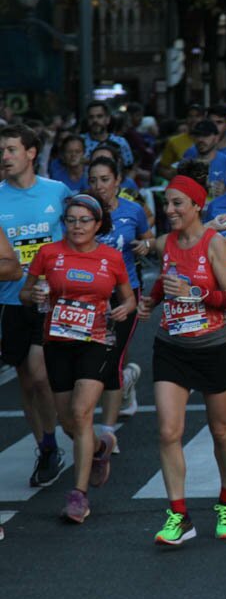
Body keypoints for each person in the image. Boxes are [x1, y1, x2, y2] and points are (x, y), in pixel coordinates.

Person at [137, 162, 226, 546]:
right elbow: (166, 283)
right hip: (172, 347)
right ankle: (179, 515)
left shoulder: (214, 244)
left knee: (220, 431)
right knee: (168, 431)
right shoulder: (167, 244)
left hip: (214, 347)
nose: (170, 210)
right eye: (167, 203)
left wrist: (196, 295)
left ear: (197, 205)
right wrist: (149, 302)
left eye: (178, 203)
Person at [20, 192, 135, 522]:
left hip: (96, 340)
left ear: (98, 224)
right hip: (57, 341)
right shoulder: (48, 253)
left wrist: (123, 310)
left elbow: (126, 300)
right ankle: (99, 448)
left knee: (82, 413)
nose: (77, 226)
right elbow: (27, 293)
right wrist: (37, 293)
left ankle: (78, 496)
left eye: (84, 220)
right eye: (71, 220)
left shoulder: (111, 258)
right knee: (68, 421)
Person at [0, 124, 73, 487]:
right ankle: (46, 446)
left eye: (11, 150)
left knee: (40, 373)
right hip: (11, 301)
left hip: (52, 301)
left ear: (31, 153)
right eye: (2, 151)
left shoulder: (57, 192)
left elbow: (81, 231)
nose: (5, 157)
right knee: (26, 382)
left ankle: (62, 437)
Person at [88, 153, 153, 435]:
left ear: (117, 181)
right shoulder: (84, 211)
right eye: (93, 181)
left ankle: (107, 431)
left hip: (126, 292)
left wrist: (144, 245)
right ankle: (125, 380)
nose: (99, 186)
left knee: (113, 356)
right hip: (89, 293)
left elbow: (148, 236)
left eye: (105, 180)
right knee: (94, 356)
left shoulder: (133, 210)